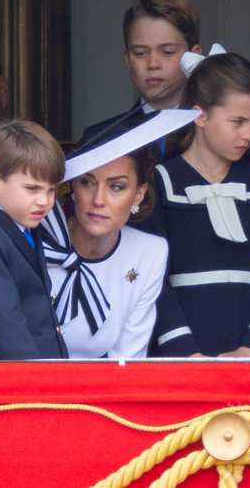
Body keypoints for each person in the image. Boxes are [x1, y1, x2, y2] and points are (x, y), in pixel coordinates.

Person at [147, 49, 250, 357]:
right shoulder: (160, 182)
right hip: (182, 349)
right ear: (200, 115)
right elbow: (152, 278)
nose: (248, 134)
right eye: (237, 122)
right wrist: (184, 350)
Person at [40, 109, 199, 358]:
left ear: (139, 193)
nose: (98, 200)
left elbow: (128, 359)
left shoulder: (149, 252)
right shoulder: (39, 244)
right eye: (87, 182)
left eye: (116, 186)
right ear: (72, 186)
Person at [0, 119, 67, 359]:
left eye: (51, 190)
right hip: (17, 387)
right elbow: (8, 328)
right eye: (32, 189)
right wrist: (40, 387)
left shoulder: (26, 228)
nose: (45, 201)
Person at [80, 0, 202, 156]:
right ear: (127, 59)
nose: (153, 64)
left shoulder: (222, 134)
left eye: (167, 52)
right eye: (140, 53)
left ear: (195, 56)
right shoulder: (99, 141)